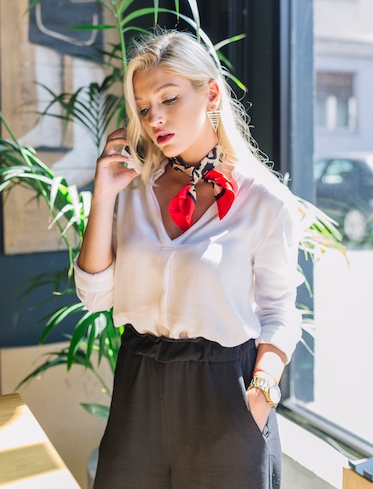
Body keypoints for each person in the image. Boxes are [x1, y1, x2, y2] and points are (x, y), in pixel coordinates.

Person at [74, 29, 303, 489]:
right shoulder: (132, 191)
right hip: (139, 384)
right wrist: (102, 196)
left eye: (169, 98)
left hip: (225, 396)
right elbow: (95, 297)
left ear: (211, 93)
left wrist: (259, 397)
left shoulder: (266, 202)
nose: (155, 118)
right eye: (143, 107)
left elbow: (280, 312)